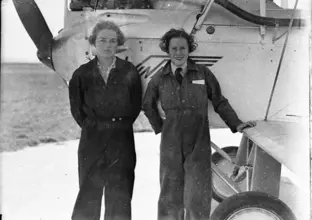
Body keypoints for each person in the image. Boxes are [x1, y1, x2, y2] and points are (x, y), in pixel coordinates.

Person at [142, 28, 255, 220]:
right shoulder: (160, 78)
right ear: (168, 51)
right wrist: (160, 128)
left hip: (198, 138)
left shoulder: (202, 73)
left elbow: (219, 101)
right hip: (171, 141)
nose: (178, 52)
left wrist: (236, 124)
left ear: (189, 49)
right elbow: (147, 104)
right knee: (170, 192)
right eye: (174, 48)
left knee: (198, 193)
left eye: (182, 48)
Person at [68, 21, 142, 220]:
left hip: (121, 139)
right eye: (103, 40)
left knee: (120, 195)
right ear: (93, 42)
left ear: (118, 44)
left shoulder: (129, 71)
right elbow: (77, 110)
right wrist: (95, 126)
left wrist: (117, 124)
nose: (108, 45)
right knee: (88, 194)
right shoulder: (81, 74)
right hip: (92, 138)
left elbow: (134, 106)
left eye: (112, 41)